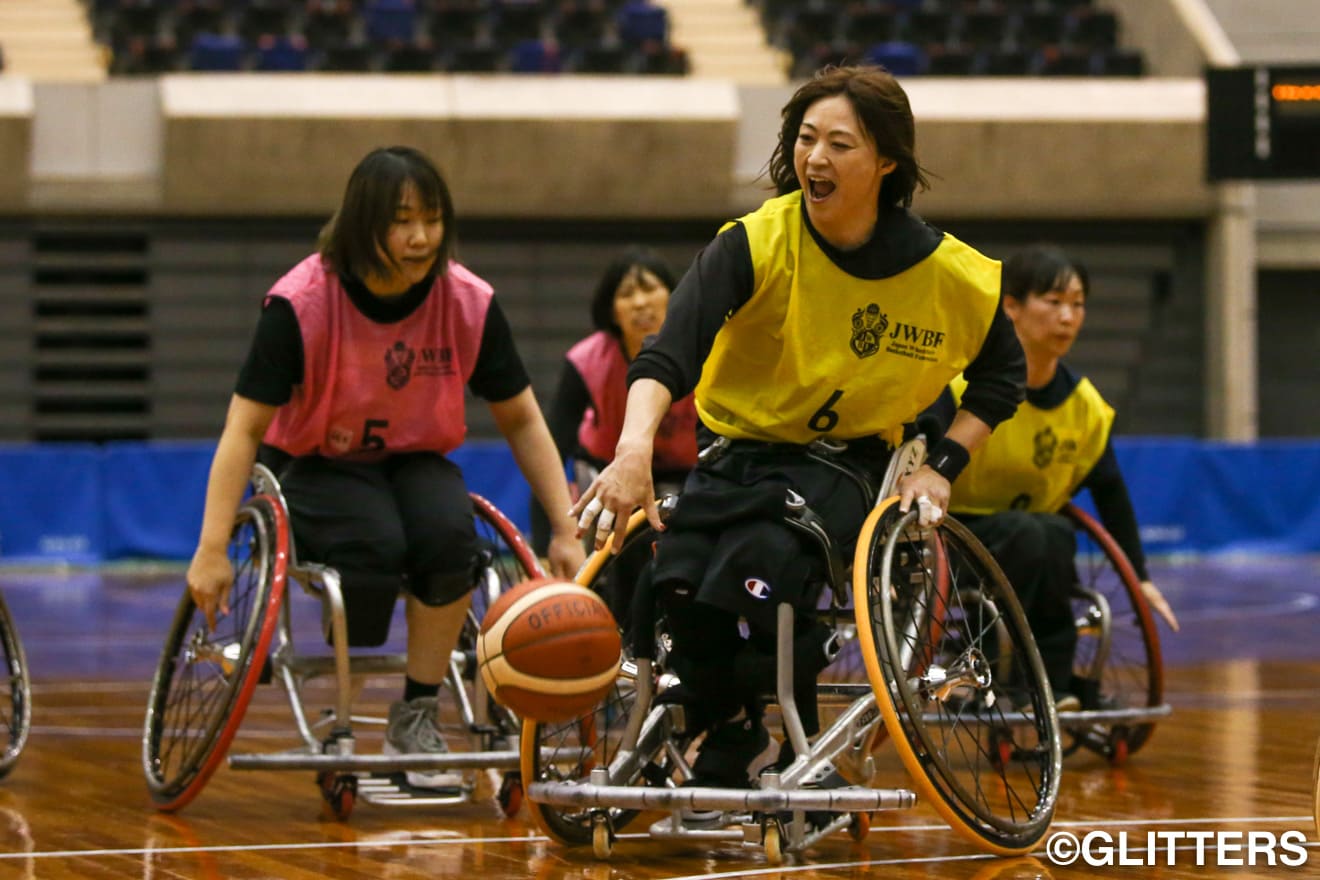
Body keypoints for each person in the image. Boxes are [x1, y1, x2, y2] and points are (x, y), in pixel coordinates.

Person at [572, 65, 1026, 806]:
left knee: (763, 563)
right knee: (671, 572)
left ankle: (753, 715)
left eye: (839, 143)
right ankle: (737, 727)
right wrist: (633, 449)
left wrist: (943, 464)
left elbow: (1004, 377)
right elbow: (666, 355)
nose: (816, 157)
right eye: (806, 139)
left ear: (886, 162)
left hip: (850, 467)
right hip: (737, 456)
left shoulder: (950, 274)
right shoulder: (754, 243)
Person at [186, 146, 584, 790]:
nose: (421, 236)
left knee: (452, 538)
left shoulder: (467, 301)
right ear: (362, 224)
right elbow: (245, 429)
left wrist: (564, 527)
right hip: (317, 461)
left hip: (415, 457)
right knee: (375, 542)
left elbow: (522, 418)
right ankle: (354, 653)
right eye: (402, 220)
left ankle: (417, 711)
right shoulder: (301, 303)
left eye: (431, 219)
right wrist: (211, 547)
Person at [946, 243, 1179, 711]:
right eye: (1053, 303)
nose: (1068, 317)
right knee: (1038, 534)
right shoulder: (956, 388)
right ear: (1011, 306)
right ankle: (997, 671)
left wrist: (1140, 575)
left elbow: (1110, 491)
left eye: (1077, 305)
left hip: (1038, 543)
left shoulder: (1085, 406)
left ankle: (1051, 689)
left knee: (1047, 534)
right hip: (954, 539)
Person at [530, 246, 698, 558]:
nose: (640, 302)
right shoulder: (587, 362)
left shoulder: (704, 353)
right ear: (612, 311)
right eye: (627, 294)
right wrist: (545, 544)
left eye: (649, 289)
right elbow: (551, 450)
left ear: (674, 297)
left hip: (687, 476)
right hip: (607, 475)